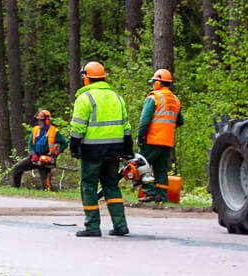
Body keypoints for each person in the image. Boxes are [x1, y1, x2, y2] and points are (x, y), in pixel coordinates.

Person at [68, 60, 132, 237]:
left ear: (87, 78)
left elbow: (78, 127)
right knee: (111, 186)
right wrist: (128, 150)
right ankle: (120, 225)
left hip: (92, 152)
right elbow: (126, 128)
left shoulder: (85, 98)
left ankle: (92, 226)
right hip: (115, 151)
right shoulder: (117, 98)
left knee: (88, 186)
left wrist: (74, 148)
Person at [135, 69, 183, 202]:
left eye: (154, 82)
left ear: (158, 83)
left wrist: (140, 136)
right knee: (161, 170)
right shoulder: (175, 100)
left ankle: (150, 191)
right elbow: (179, 121)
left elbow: (144, 121)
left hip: (153, 139)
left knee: (140, 165)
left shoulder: (154, 97)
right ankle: (162, 197)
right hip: (167, 142)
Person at [10, 110, 66, 190]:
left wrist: (58, 152)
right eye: (38, 120)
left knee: (46, 185)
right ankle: (15, 189)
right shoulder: (35, 130)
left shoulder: (54, 132)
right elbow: (30, 144)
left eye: (40, 120)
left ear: (46, 120)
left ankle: (48, 193)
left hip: (46, 160)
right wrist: (33, 153)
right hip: (35, 158)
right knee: (17, 168)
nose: (39, 122)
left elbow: (64, 143)